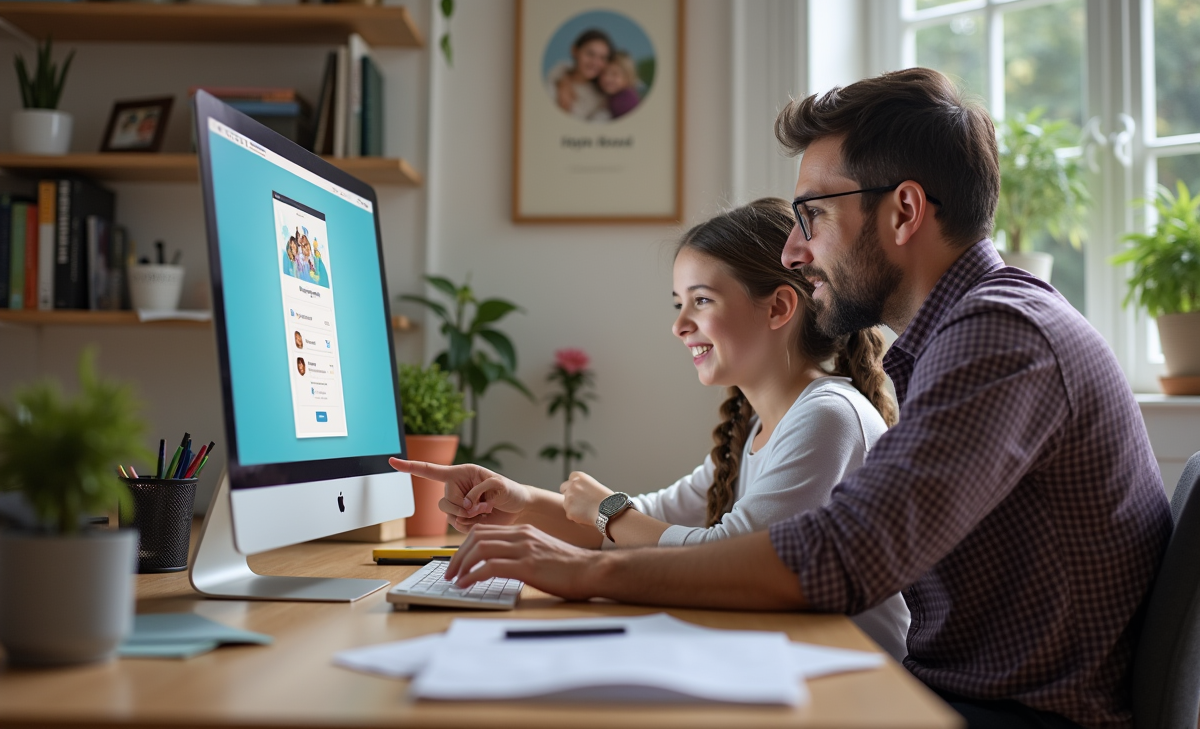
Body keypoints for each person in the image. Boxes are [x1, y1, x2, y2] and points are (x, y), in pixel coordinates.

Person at [409, 68, 1174, 729]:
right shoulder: (971, 336)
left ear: (904, 211)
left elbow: (836, 559)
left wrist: (589, 569)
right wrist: (560, 530)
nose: (793, 249)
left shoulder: (1004, 337)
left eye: (812, 214)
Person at [392, 198, 911, 659]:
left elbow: (727, 558)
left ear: (778, 307)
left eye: (701, 301)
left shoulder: (828, 416)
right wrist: (516, 500)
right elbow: (646, 529)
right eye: (678, 304)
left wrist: (609, 510)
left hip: (858, 687)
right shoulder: (758, 426)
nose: (680, 324)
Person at [545, 29, 612, 121]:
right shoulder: (557, 75)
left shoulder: (602, 100)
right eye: (590, 54)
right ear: (575, 51)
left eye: (602, 58)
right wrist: (563, 80)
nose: (595, 62)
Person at [598, 51, 641, 119]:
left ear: (627, 77)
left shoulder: (624, 102)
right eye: (603, 73)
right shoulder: (617, 95)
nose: (607, 78)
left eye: (615, 74)